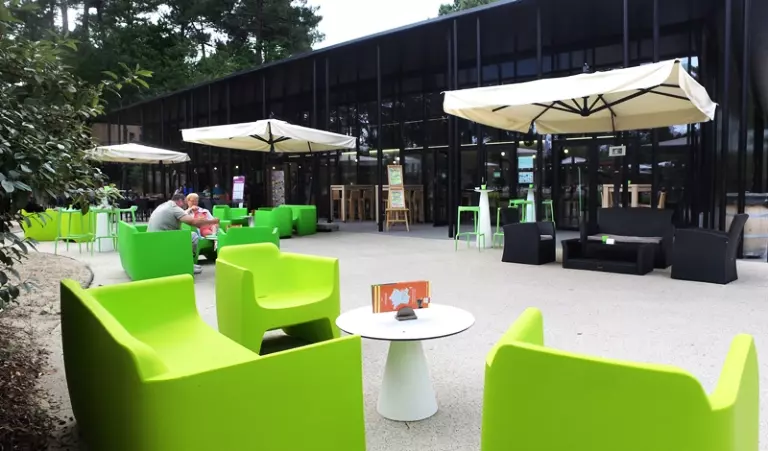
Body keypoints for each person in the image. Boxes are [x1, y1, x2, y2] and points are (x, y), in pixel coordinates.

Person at [147, 193, 219, 275]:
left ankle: (188, 263)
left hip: (154, 237)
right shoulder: (175, 208)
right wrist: (212, 221)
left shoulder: (163, 205)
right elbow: (193, 222)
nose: (185, 205)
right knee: (193, 236)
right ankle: (187, 264)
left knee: (187, 234)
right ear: (180, 201)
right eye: (185, 202)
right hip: (163, 238)